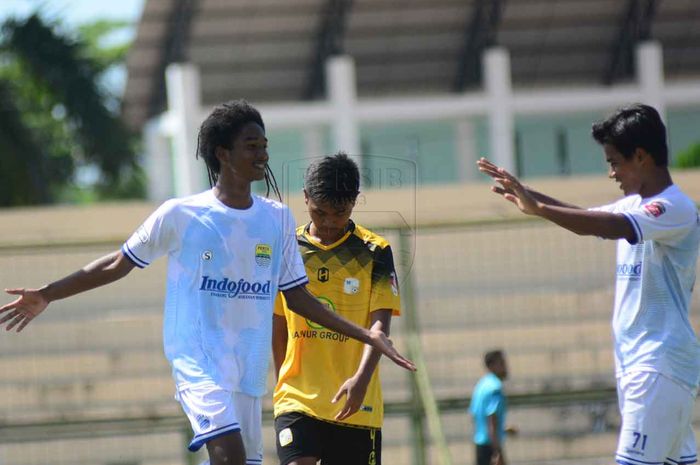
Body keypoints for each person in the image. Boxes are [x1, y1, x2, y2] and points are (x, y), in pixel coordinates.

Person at [0, 100, 415, 465]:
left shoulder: (276, 219)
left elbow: (299, 298)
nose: (263, 153)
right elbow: (117, 263)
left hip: (247, 374)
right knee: (229, 455)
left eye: (264, 144)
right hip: (199, 365)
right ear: (223, 153)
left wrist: (366, 335)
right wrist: (48, 294)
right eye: (252, 145)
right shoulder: (181, 215)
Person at [477, 103, 700, 465]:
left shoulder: (674, 208)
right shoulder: (635, 205)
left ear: (641, 156)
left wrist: (540, 209)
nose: (611, 172)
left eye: (614, 161)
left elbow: (608, 226)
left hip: (656, 366)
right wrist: (527, 193)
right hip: (645, 370)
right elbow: (590, 218)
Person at [271, 153, 400, 465]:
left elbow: (378, 328)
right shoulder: (287, 247)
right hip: (298, 397)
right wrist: (282, 384)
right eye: (319, 212)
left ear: (354, 202)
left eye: (338, 213)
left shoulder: (375, 251)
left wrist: (361, 380)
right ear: (305, 199)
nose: (328, 222)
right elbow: (278, 325)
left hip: (357, 401)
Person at [469, 350, 512, 465]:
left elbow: (475, 417)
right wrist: (497, 452)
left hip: (480, 445)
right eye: (502, 363)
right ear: (491, 366)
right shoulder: (495, 388)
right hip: (491, 447)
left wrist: (502, 430)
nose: (506, 367)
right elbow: (491, 418)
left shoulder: (481, 385)